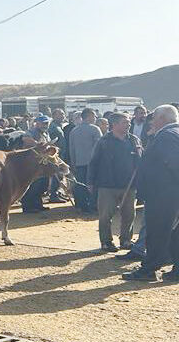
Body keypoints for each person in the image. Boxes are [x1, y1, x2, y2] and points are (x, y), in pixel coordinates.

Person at [125, 104, 179, 282]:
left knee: (157, 232)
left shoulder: (167, 136)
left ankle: (149, 270)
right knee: (173, 232)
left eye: (154, 117)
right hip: (169, 194)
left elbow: (174, 164)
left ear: (163, 118)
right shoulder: (174, 133)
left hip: (163, 195)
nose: (151, 121)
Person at [87, 113, 141, 252]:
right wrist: (90, 182)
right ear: (114, 124)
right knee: (105, 216)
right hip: (107, 185)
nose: (128, 124)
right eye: (125, 122)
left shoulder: (134, 140)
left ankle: (126, 240)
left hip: (129, 186)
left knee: (129, 214)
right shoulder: (103, 141)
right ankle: (106, 242)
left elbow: (141, 161)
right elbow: (93, 163)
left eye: (129, 122)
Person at [68, 108, 102, 213]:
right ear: (89, 116)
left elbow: (71, 149)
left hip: (79, 163)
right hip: (93, 163)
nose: (95, 118)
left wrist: (73, 163)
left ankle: (83, 206)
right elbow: (100, 147)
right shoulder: (95, 129)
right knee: (94, 185)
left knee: (81, 185)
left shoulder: (74, 131)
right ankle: (94, 206)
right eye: (94, 116)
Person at [20, 115, 52, 212]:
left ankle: (38, 204)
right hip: (31, 163)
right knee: (33, 185)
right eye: (43, 123)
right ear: (37, 123)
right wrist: (36, 144)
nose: (45, 125)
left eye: (47, 123)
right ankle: (28, 206)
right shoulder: (32, 131)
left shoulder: (45, 133)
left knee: (42, 184)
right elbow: (25, 138)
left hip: (42, 163)